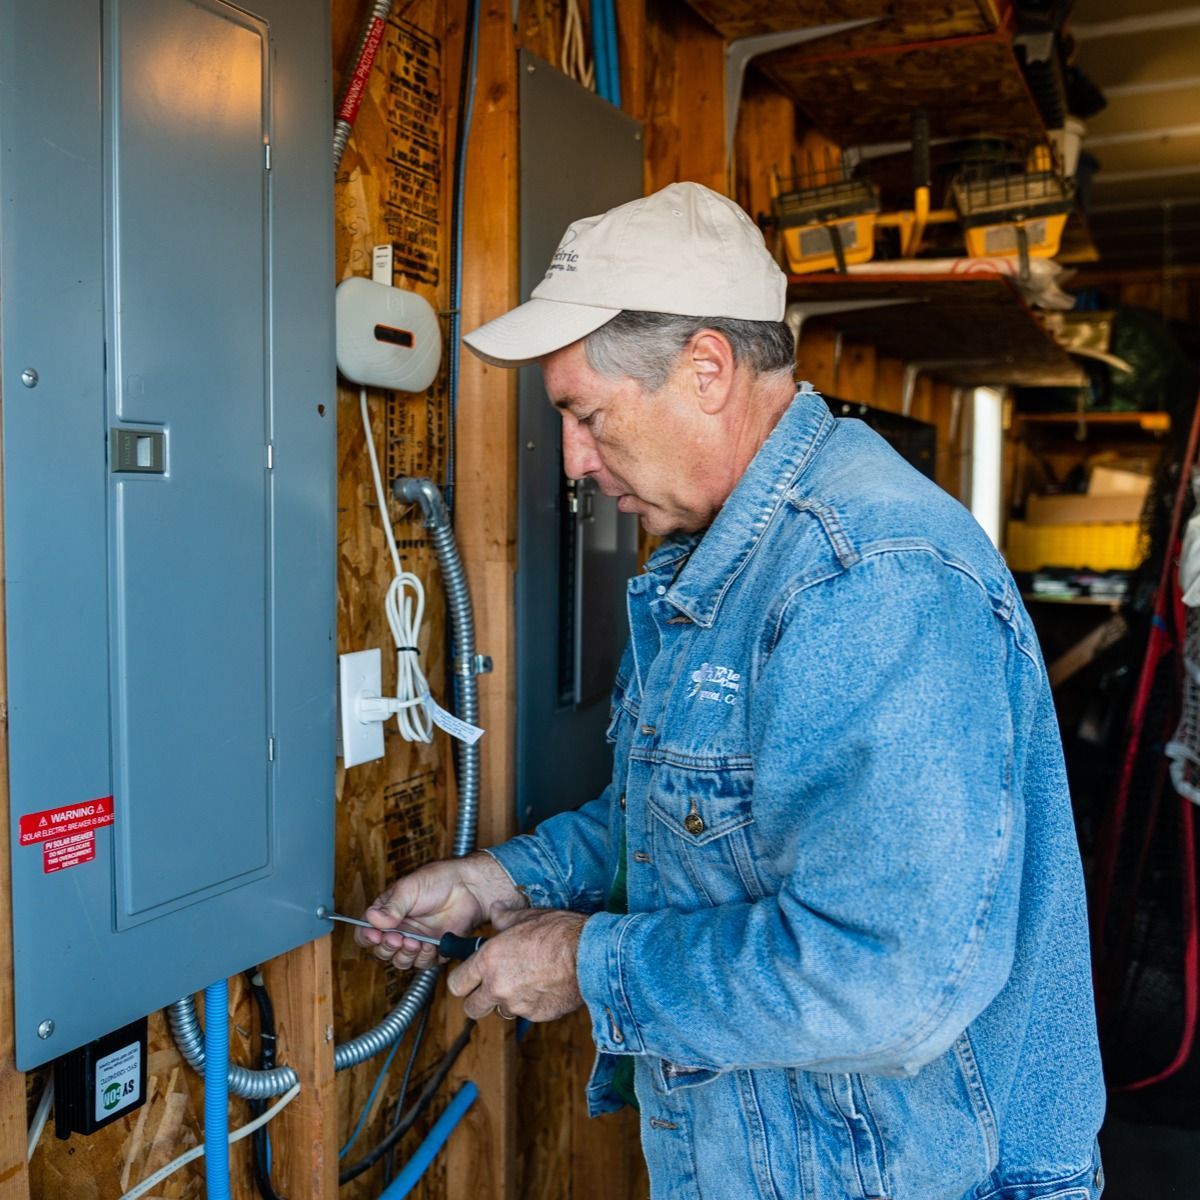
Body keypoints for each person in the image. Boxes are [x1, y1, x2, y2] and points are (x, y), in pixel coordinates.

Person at [356, 182, 1107, 1199]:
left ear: (707, 369)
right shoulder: (724, 567)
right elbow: (693, 828)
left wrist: (589, 965)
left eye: (587, 416)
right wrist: (502, 880)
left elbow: (887, 983)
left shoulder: (867, 578)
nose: (574, 463)